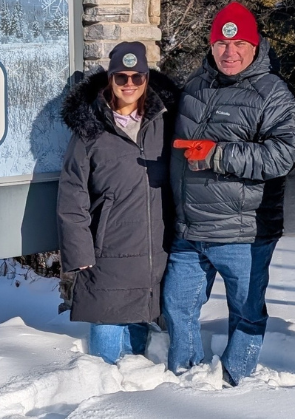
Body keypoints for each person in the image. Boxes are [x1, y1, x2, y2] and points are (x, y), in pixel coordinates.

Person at [165, 1, 295, 385]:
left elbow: (283, 155)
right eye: (222, 44)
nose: (230, 52)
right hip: (189, 230)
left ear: (255, 46)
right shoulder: (194, 85)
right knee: (177, 306)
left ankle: (233, 377)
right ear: (210, 46)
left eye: (239, 43)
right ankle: (185, 377)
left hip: (244, 233)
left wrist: (219, 154)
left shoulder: (273, 93)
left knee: (246, 311)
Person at [57, 41, 177, 364]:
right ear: (109, 79)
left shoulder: (164, 123)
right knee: (106, 358)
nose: (129, 85)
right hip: (106, 256)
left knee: (138, 352)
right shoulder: (90, 130)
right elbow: (72, 193)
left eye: (137, 77)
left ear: (146, 79)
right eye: (121, 78)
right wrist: (79, 250)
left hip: (152, 256)